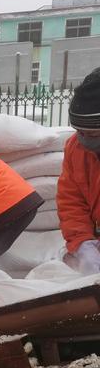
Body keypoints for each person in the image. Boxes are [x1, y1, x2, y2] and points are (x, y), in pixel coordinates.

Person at [58, 67, 100, 275]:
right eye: (78, 131)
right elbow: (71, 200)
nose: (83, 138)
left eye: (91, 132)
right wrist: (82, 243)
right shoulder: (75, 148)